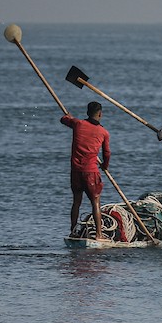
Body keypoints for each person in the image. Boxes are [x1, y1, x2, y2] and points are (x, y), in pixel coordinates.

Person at [60, 101, 111, 240]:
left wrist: (68, 117)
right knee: (95, 202)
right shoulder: (103, 132)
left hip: (76, 171)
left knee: (76, 201)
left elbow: (63, 120)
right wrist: (105, 166)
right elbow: (107, 153)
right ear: (100, 114)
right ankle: (99, 235)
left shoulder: (78, 124)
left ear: (87, 113)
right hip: (91, 172)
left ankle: (72, 231)